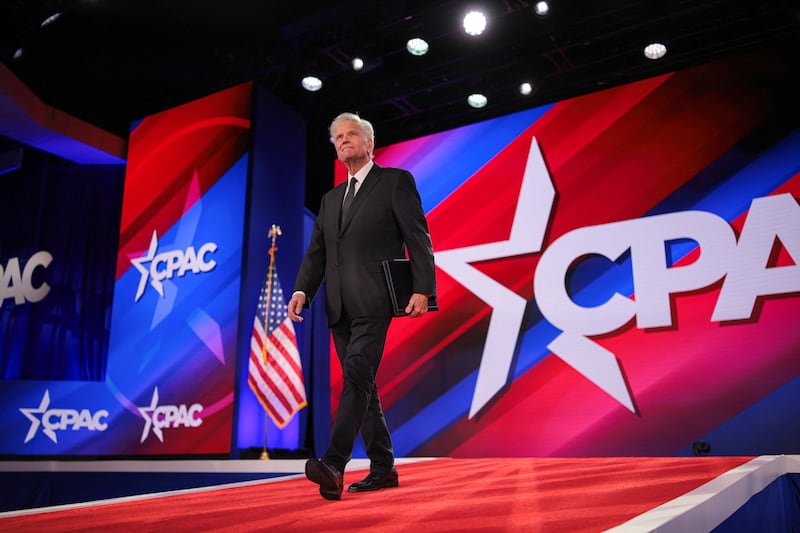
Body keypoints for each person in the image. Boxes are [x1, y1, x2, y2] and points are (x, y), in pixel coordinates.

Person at [288, 112, 436, 500]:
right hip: (337, 306)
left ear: (370, 143)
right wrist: (303, 289)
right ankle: (384, 468)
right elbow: (318, 252)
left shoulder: (395, 182)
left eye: (351, 134)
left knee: (355, 376)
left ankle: (334, 462)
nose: (343, 140)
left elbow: (418, 237)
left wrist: (423, 289)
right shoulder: (330, 198)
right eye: (337, 137)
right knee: (363, 385)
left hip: (376, 299)